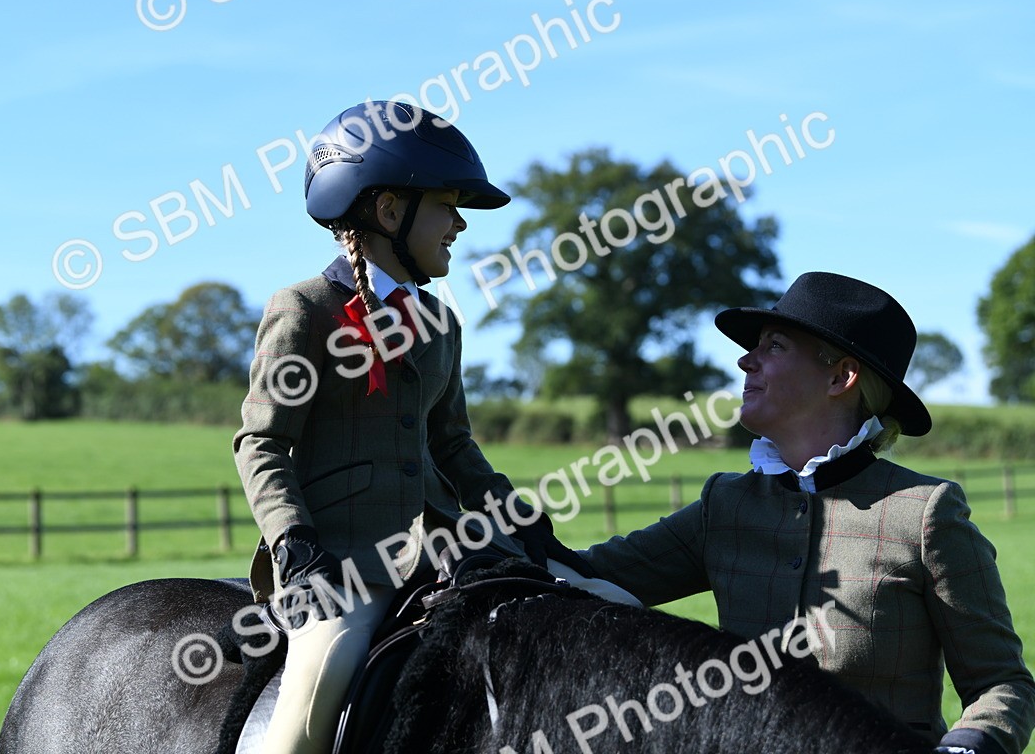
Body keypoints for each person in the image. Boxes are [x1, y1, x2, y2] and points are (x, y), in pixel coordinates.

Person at [233, 100, 639, 754]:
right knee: (325, 673)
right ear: (389, 211)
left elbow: (452, 445)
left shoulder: (441, 322)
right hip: (342, 560)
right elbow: (263, 443)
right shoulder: (304, 309)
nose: (459, 224)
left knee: (612, 603)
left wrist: (519, 520)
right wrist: (294, 544)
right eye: (447, 206)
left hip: (451, 543)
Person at [580, 272, 1035, 754]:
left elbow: (1002, 684)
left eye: (774, 346)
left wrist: (965, 748)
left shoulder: (925, 513)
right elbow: (582, 576)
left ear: (841, 377)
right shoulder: (724, 505)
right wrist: (516, 521)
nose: (745, 360)